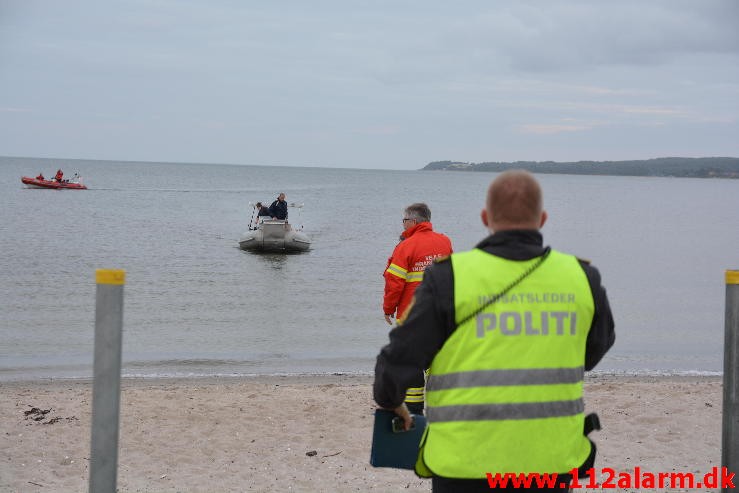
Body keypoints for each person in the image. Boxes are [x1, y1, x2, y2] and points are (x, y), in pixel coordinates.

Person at [374, 170, 615, 492]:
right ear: (542, 218)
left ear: (486, 217)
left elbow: (399, 358)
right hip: (551, 459)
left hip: (465, 461)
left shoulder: (450, 279)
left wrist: (392, 402)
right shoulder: (583, 278)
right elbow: (594, 350)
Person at [382, 202, 452, 414]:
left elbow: (394, 282)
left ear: (413, 221)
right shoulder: (444, 242)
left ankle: (414, 410)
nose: (402, 225)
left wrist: (388, 308)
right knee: (437, 363)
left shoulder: (406, 246)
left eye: (404, 220)